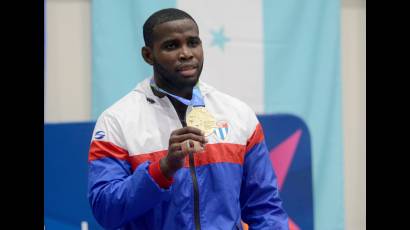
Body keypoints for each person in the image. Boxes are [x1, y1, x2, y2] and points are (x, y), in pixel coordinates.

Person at [88, 8, 289, 230]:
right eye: (171, 46)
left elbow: (265, 208)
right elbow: (105, 210)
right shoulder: (117, 121)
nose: (186, 53)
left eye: (193, 42)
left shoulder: (238, 115)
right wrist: (163, 169)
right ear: (148, 55)